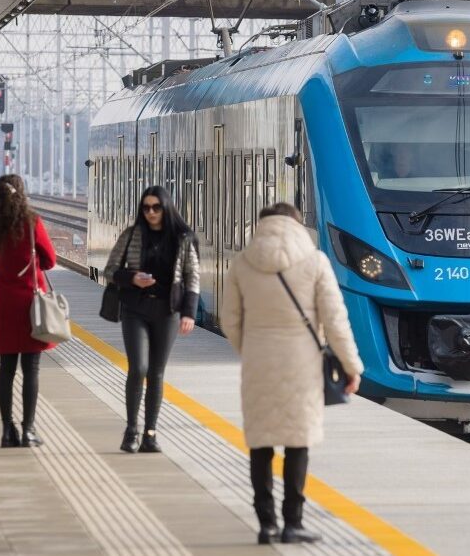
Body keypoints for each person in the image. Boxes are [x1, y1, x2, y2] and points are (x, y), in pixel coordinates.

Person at [219, 203, 363, 545]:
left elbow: (230, 320)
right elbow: (336, 322)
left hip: (258, 361)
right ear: (297, 225)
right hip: (303, 364)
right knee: (298, 443)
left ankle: (266, 524)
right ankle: (292, 523)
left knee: (261, 443)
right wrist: (351, 367)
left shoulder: (242, 263)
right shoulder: (315, 262)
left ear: (262, 225)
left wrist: (250, 349)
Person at [103, 186, 200, 454]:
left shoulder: (182, 238)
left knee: (157, 373)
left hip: (166, 313)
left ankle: (150, 433)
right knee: (139, 368)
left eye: (156, 207)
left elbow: (192, 276)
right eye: (146, 208)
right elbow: (110, 270)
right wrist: (132, 278)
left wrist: (189, 312)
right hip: (135, 310)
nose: (150, 213)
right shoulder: (132, 234)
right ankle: (131, 430)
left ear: (166, 208)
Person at [0, 175, 57, 449]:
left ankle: (6, 431)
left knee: (6, 369)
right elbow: (50, 259)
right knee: (31, 369)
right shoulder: (32, 221)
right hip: (30, 304)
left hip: (4, 306)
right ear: (21, 193)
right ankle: (28, 430)